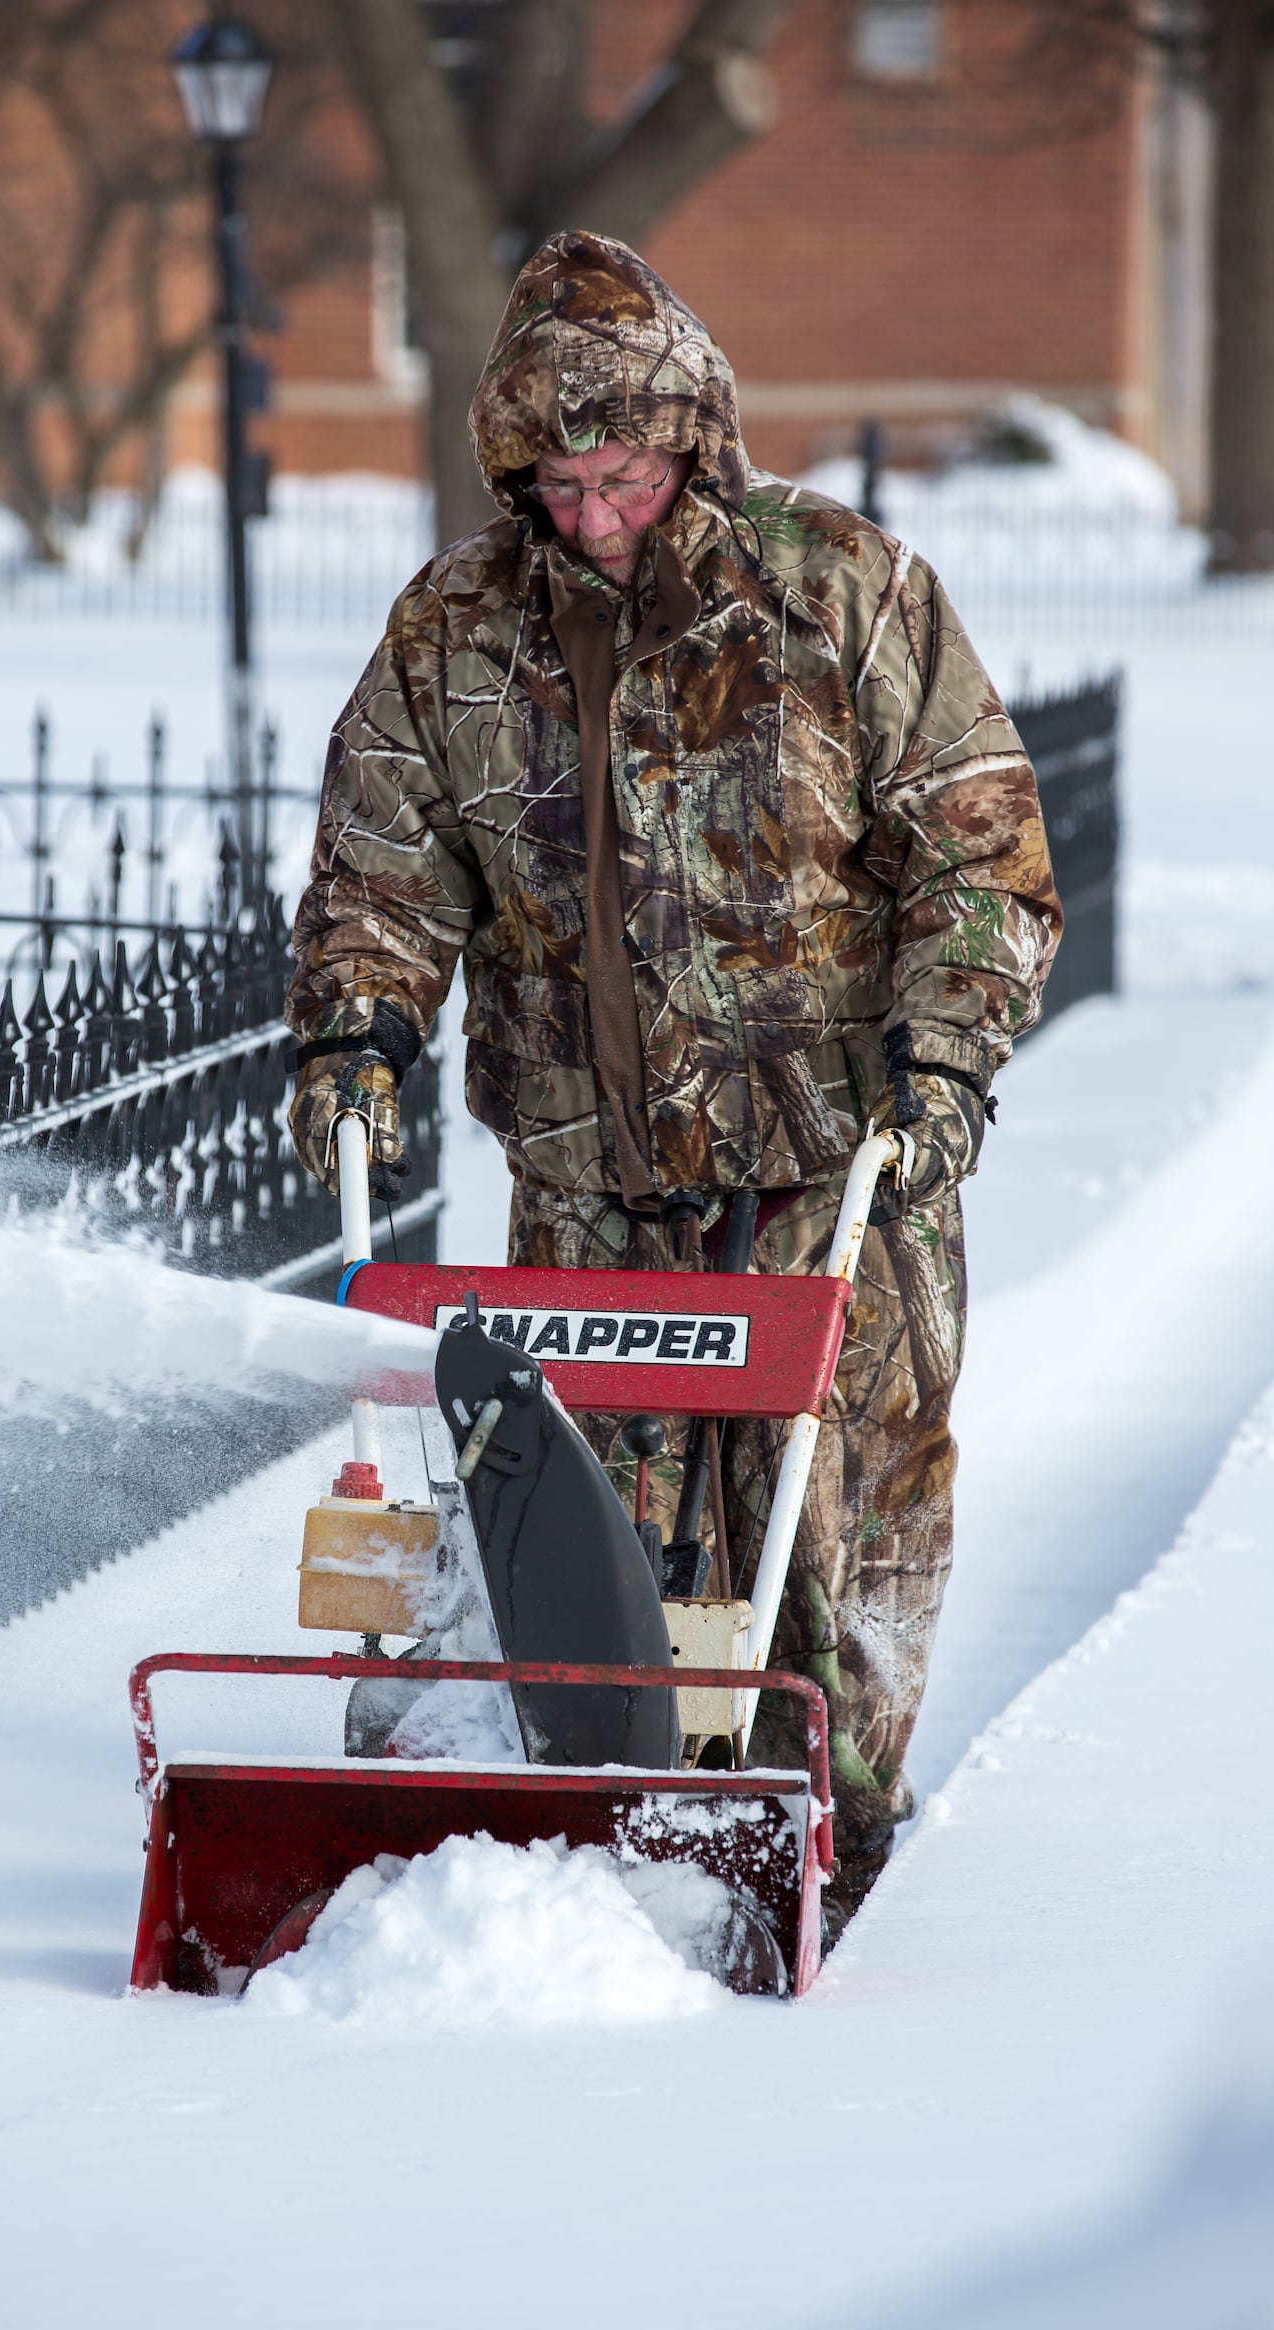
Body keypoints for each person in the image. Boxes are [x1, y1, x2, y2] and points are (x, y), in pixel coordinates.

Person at [284, 229, 1060, 1930]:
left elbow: (981, 859)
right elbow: (385, 864)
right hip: (584, 1175)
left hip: (830, 1161)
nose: (595, 512)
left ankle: (827, 1842)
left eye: (624, 470)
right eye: (557, 482)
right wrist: (356, 1021)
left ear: (693, 439)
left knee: (834, 1531)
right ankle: (572, 1864)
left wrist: (943, 1061)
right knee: (577, 1547)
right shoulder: (455, 628)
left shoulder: (838, 589)